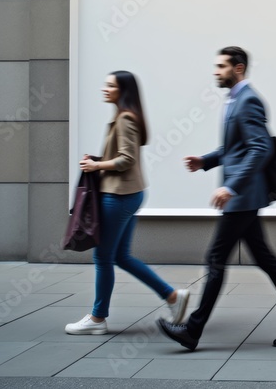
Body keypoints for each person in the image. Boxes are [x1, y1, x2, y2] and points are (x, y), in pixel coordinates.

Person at [157, 46, 276, 350]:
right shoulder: (234, 100)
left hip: (242, 197)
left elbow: (260, 149)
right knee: (265, 259)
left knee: (215, 259)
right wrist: (205, 161)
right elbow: (237, 149)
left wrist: (230, 187)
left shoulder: (248, 100)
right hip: (242, 197)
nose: (216, 72)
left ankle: (192, 331)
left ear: (238, 68)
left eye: (221, 66)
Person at [65, 71, 189, 335]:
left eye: (110, 85)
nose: (104, 88)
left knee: (103, 257)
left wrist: (96, 164)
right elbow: (123, 155)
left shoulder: (125, 119)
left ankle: (98, 319)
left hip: (119, 196)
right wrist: (99, 159)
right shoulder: (126, 117)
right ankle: (172, 297)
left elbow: (127, 159)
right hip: (128, 194)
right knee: (120, 256)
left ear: (123, 91)